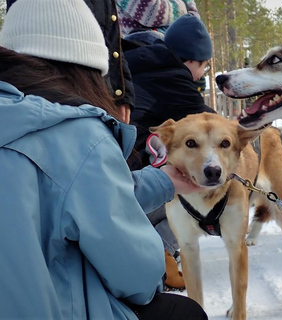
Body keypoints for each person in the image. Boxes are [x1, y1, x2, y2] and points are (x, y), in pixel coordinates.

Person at [0, 0, 207, 319]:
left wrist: (164, 180)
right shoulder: (78, 135)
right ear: (89, 68)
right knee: (182, 312)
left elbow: (62, 192)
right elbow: (136, 275)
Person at [123, 13, 216, 290]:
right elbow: (213, 125)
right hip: (135, 176)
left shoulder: (140, 63)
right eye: (204, 67)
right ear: (191, 60)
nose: (202, 75)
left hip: (120, 166)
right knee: (202, 191)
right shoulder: (174, 78)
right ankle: (162, 256)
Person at [5, 0, 136, 124]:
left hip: (98, 88)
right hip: (53, 88)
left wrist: (122, 93)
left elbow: (111, 39)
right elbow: (23, 33)